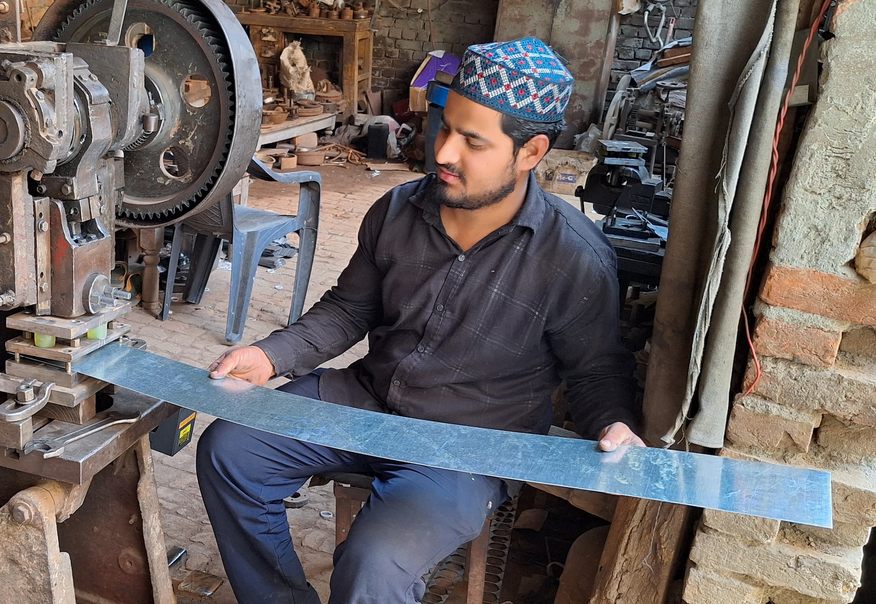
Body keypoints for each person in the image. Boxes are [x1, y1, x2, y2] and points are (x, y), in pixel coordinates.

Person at [195, 37, 644, 604]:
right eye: (444, 126)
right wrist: (271, 355)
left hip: (468, 445)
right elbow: (349, 309)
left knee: (372, 567)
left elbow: (596, 371)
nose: (444, 153)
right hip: (367, 403)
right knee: (230, 450)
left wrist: (614, 423)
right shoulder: (399, 207)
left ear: (529, 153)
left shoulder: (574, 258)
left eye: (473, 141)